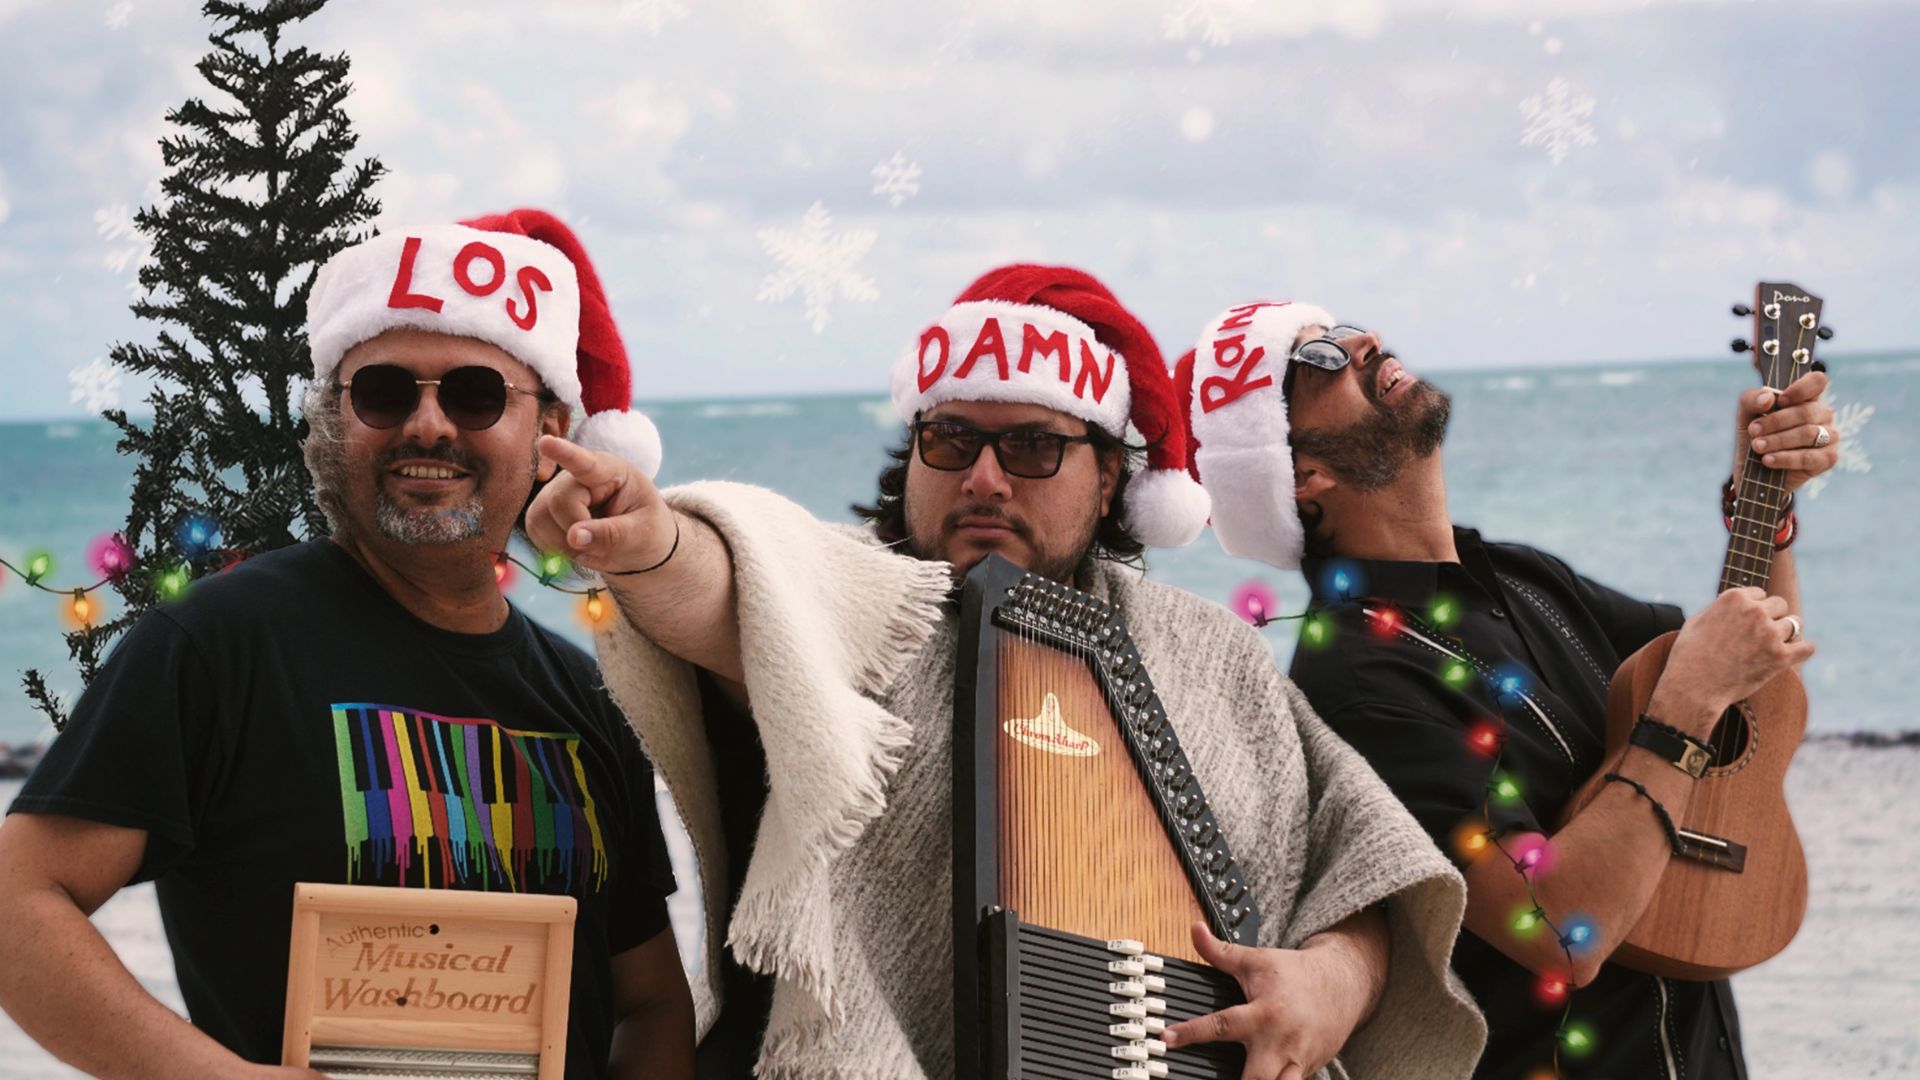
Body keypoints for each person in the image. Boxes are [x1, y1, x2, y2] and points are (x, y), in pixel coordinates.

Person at [523, 265, 1487, 1079]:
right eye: (952, 441)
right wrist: (646, 543)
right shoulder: (845, 595)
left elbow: (1365, 868)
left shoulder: (1214, 656)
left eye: (1032, 445)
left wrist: (1333, 982)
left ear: (1111, 477)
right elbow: (731, 579)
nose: (984, 477)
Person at [0, 210, 694, 1080]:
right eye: (385, 392)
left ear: (549, 424)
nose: (430, 425)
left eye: (477, 393)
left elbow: (653, 1000)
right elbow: (18, 901)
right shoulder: (223, 642)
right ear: (334, 418)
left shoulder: (585, 695)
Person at [1171, 299, 1842, 1079]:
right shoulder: (1361, 683)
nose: (1361, 342)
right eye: (1315, 361)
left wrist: (1768, 504)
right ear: (1303, 474)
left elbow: (1748, 680)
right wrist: (1684, 705)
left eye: (1342, 325)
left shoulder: (1517, 577)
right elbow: (1560, 931)